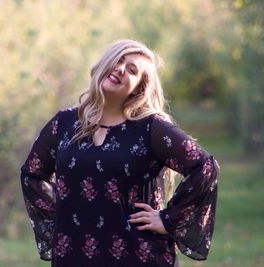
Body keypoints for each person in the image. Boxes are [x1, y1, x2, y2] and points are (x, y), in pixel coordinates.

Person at [20, 39, 220, 267]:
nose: (120, 69)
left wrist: (168, 220)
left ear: (139, 88)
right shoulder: (64, 123)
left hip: (139, 256)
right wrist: (64, 214)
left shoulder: (150, 128)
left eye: (132, 70)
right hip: (74, 257)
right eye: (118, 60)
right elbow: (32, 174)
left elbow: (204, 166)